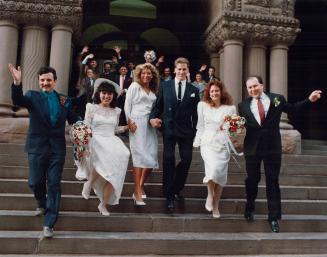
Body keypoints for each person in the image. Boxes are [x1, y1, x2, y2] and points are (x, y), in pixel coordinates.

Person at [238, 75, 322, 233]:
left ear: (262, 85)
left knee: (272, 181)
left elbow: (293, 108)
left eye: (255, 86)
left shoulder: (276, 99)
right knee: (252, 179)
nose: (252, 90)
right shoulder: (242, 105)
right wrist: (229, 126)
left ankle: (274, 217)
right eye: (249, 88)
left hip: (272, 147)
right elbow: (240, 124)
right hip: (252, 148)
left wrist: (309, 100)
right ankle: (250, 206)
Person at [8, 64, 81, 238]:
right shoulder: (32, 96)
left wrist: (85, 125)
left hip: (57, 149)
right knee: (35, 182)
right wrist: (17, 82)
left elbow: (74, 119)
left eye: (49, 80)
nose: (45, 83)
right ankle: (41, 202)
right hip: (36, 147)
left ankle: (49, 224)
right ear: (39, 82)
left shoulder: (64, 100)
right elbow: (18, 100)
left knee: (54, 184)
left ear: (55, 81)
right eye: (42, 80)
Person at [150, 57, 200, 210]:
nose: (181, 72)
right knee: (168, 159)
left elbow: (196, 114)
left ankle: (176, 187)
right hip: (169, 128)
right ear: (174, 70)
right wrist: (152, 118)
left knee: (186, 160)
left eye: (184, 69)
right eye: (179, 69)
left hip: (186, 131)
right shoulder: (165, 86)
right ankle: (169, 195)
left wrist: (197, 131)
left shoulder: (194, 90)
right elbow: (157, 106)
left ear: (188, 70)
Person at [80, 79, 130, 216]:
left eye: (109, 94)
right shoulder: (91, 107)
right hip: (96, 139)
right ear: (99, 94)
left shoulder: (116, 111)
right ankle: (89, 182)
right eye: (104, 93)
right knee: (104, 154)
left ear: (113, 96)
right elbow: (86, 126)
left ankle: (103, 204)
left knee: (123, 156)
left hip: (111, 139)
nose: (106, 96)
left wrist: (126, 127)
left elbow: (115, 129)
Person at [193, 80, 236, 218]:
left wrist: (228, 127)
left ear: (221, 92)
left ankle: (216, 205)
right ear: (208, 93)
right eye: (212, 91)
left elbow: (234, 130)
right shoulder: (202, 105)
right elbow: (200, 126)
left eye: (216, 90)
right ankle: (210, 196)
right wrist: (197, 140)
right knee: (213, 169)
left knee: (220, 175)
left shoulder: (231, 108)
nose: (214, 93)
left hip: (223, 143)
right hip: (208, 142)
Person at [124, 63, 160, 205]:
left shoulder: (153, 89)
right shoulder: (134, 86)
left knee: (151, 156)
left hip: (149, 124)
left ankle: (140, 185)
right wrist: (129, 121)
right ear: (139, 74)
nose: (146, 75)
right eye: (143, 73)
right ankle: (138, 192)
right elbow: (127, 104)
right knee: (138, 156)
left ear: (152, 75)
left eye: (148, 73)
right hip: (136, 122)